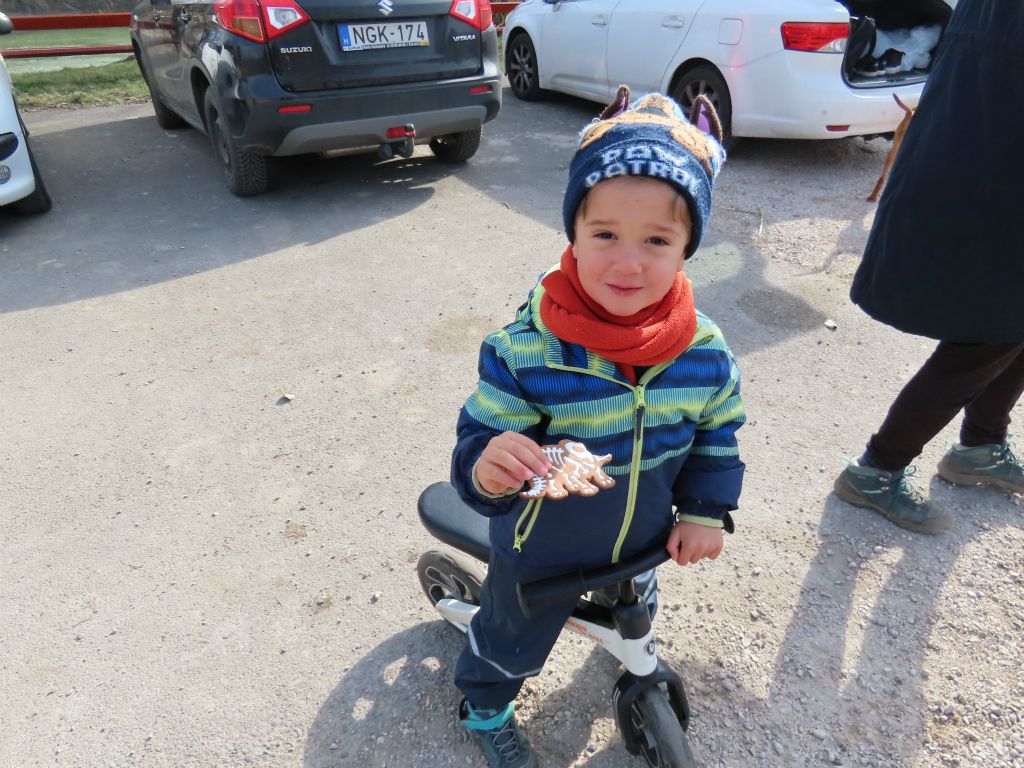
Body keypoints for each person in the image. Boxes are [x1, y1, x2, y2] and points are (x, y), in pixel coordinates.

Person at [449, 87, 745, 767]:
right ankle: (485, 707)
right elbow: (482, 434)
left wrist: (705, 510)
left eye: (657, 240)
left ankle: (624, 630)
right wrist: (488, 464)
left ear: (687, 248)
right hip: (542, 549)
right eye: (605, 234)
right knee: (510, 641)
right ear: (573, 235)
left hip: (644, 535)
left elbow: (718, 433)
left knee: (637, 604)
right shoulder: (530, 350)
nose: (628, 262)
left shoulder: (703, 351)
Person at [833, 0, 1024, 533]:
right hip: (995, 177)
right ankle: (876, 470)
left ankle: (981, 444)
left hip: (977, 162)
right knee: (987, 335)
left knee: (1009, 327)